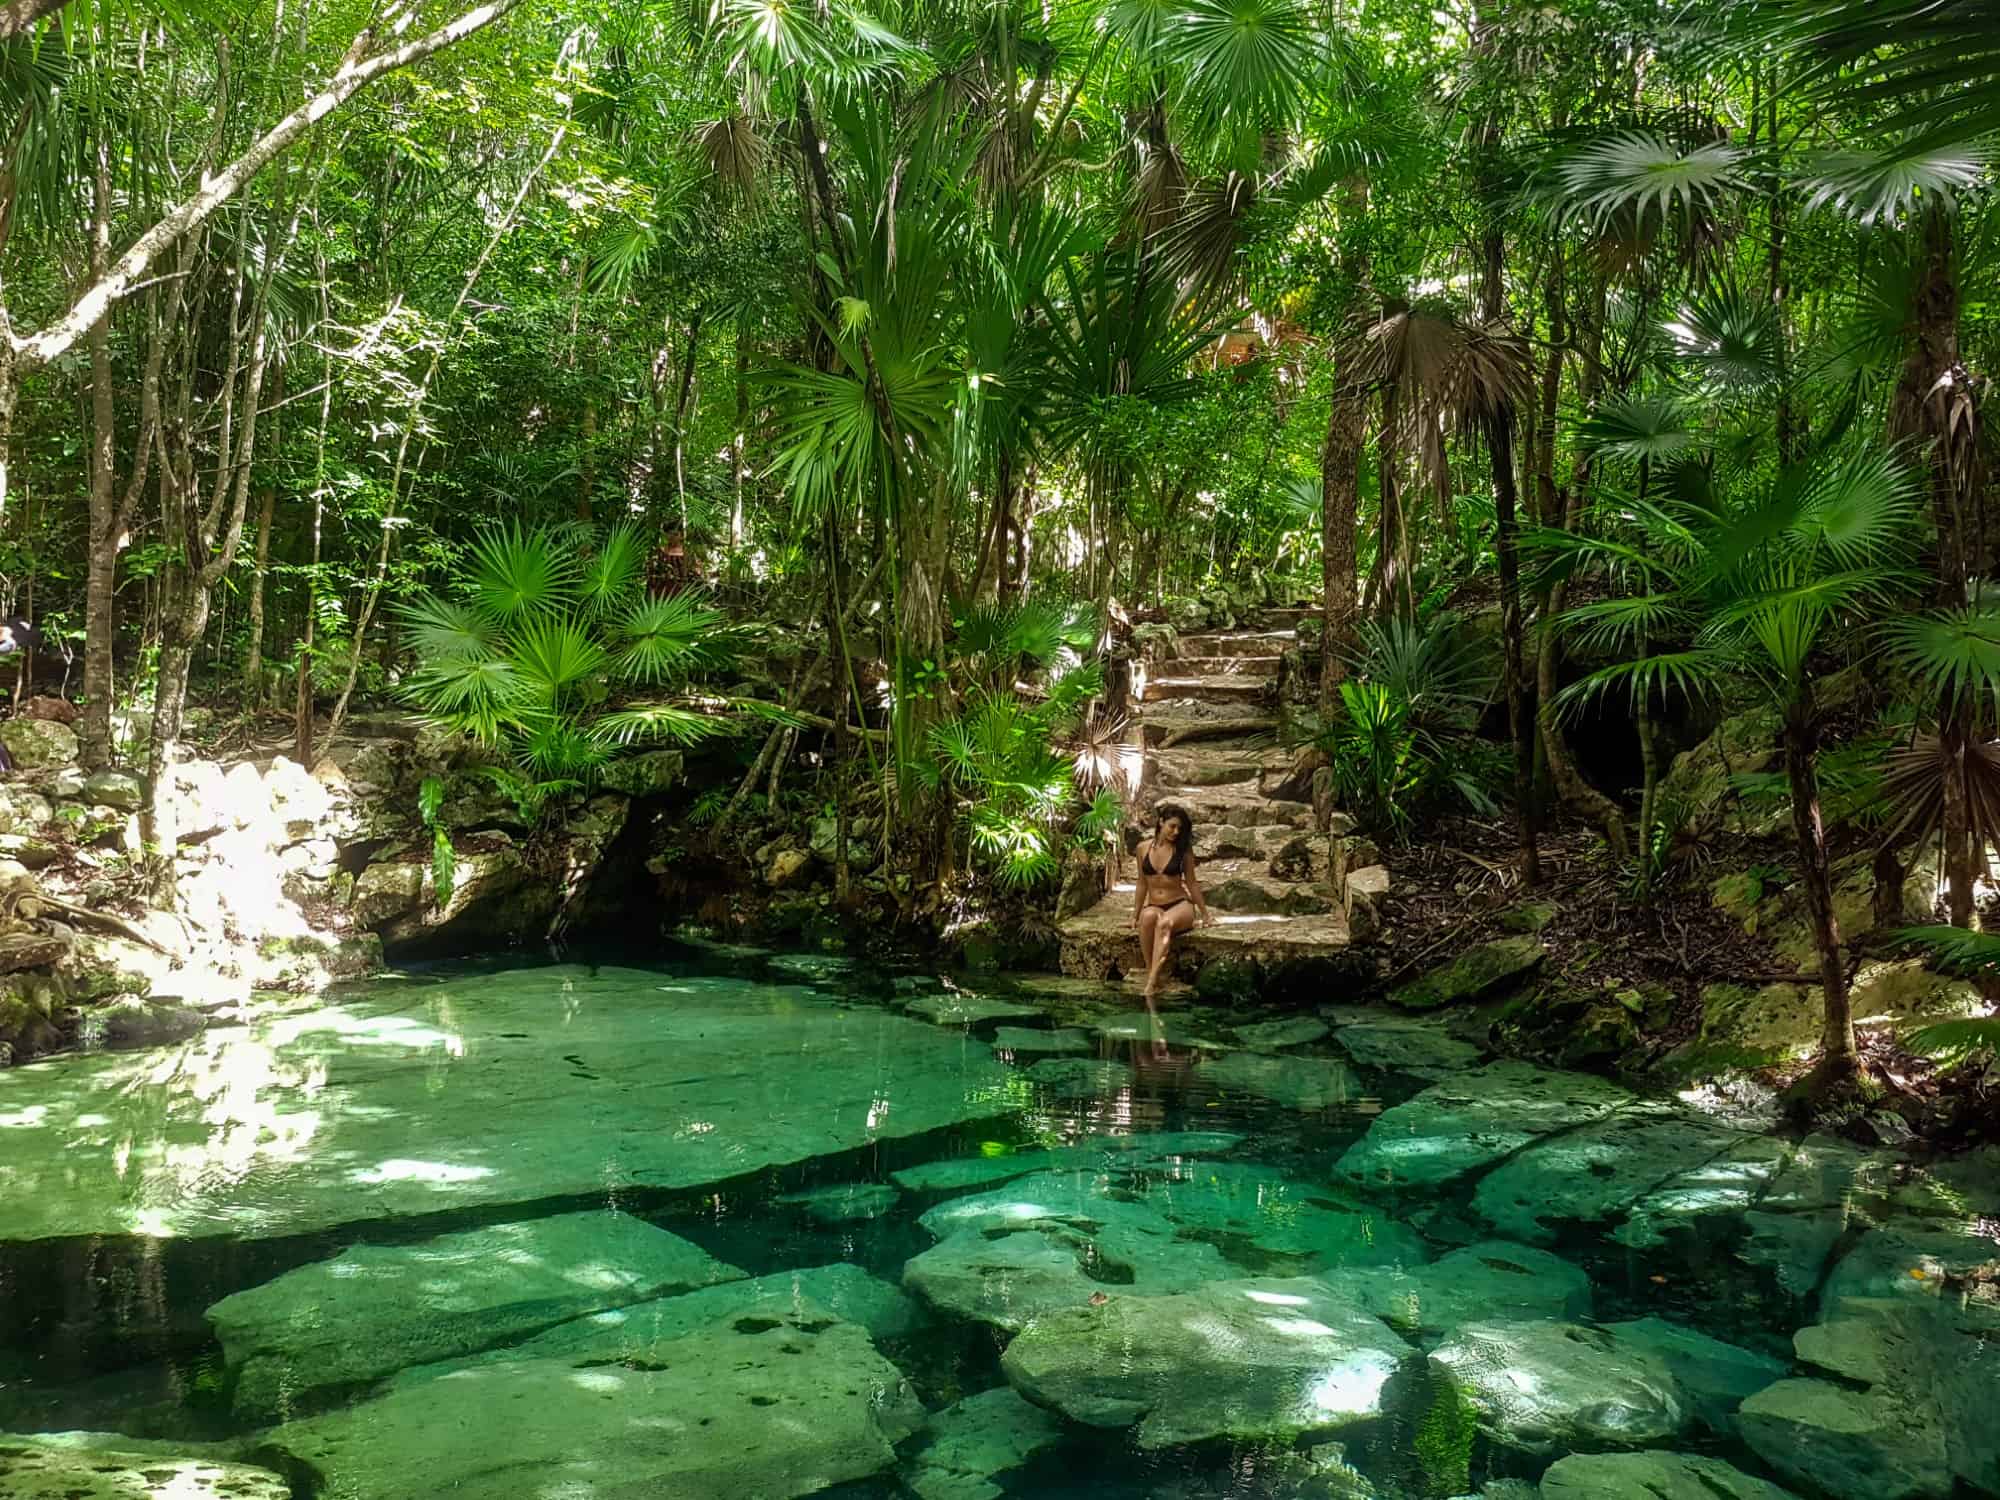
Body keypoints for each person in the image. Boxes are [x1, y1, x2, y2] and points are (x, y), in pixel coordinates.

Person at [1131, 801, 1213, 1010]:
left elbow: (1192, 884)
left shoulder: (1183, 851)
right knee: (1147, 919)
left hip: (1180, 905)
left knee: (1164, 924)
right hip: (1155, 904)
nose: (1176, 832)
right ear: (1161, 823)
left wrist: (1205, 914)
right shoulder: (1142, 849)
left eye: (1179, 829)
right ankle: (1152, 972)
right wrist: (1135, 914)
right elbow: (1141, 884)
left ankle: (1151, 983)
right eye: (1172, 826)